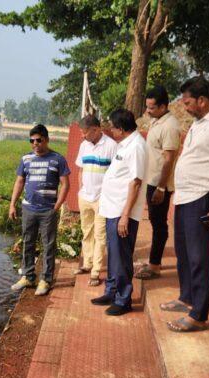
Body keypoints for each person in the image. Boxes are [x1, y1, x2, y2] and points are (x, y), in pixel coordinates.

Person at [163, 76, 209, 332]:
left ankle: (199, 313)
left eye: (187, 102)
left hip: (203, 196)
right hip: (185, 196)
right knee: (183, 252)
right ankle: (187, 297)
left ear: (202, 100)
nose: (185, 107)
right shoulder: (198, 124)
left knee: (199, 257)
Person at [90, 109, 148, 316]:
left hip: (123, 212)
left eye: (112, 127)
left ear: (121, 129)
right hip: (112, 209)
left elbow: (136, 182)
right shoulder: (125, 145)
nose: (110, 131)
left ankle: (124, 299)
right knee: (113, 255)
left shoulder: (137, 147)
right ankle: (112, 290)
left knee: (122, 257)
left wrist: (125, 215)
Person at [8, 124, 71, 296]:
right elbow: (19, 182)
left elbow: (66, 184)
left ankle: (46, 279)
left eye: (38, 140)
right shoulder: (26, 159)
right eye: (32, 140)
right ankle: (28, 276)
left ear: (46, 140)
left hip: (47, 210)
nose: (35, 143)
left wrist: (56, 207)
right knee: (28, 242)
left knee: (48, 245)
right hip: (28, 208)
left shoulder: (58, 159)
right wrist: (12, 204)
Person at [136, 85, 182, 280]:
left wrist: (161, 188)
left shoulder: (170, 126)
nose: (148, 111)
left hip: (159, 184)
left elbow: (168, 160)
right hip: (152, 180)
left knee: (159, 224)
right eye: (147, 107)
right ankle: (153, 261)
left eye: (152, 107)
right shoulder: (157, 121)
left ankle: (155, 265)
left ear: (164, 106)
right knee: (156, 222)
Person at [73, 115, 118, 286]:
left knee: (100, 235)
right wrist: (80, 190)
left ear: (96, 129)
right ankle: (87, 263)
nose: (83, 136)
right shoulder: (84, 145)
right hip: (85, 196)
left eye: (85, 133)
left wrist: (108, 195)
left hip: (102, 199)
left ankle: (96, 271)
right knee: (87, 231)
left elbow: (116, 174)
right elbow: (80, 170)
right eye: (81, 133)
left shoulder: (111, 146)